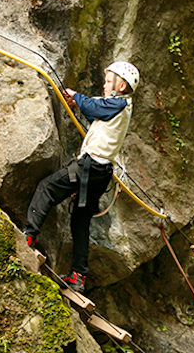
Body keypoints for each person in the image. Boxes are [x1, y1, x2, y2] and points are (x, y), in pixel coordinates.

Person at [23, 61, 139, 293]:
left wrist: (77, 97)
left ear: (122, 86)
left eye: (108, 82)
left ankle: (28, 237)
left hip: (91, 167)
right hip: (101, 173)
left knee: (47, 188)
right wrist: (77, 100)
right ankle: (78, 275)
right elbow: (95, 104)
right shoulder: (119, 105)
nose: (104, 85)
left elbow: (95, 107)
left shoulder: (117, 105)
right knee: (80, 220)